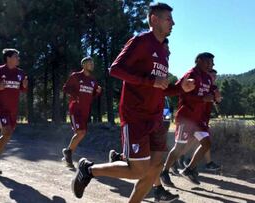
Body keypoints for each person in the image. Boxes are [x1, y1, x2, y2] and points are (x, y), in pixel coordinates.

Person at [71, 3, 194, 202]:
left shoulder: (163, 51)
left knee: (155, 168)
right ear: (154, 19)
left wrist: (181, 87)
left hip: (155, 117)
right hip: (135, 114)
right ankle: (88, 170)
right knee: (138, 170)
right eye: (168, 19)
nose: (173, 23)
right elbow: (115, 69)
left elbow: (160, 87)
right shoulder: (141, 41)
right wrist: (149, 81)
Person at [160, 52, 216, 186]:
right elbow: (181, 92)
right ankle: (164, 172)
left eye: (212, 63)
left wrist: (215, 97)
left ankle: (189, 170)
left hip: (198, 120)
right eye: (208, 62)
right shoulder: (191, 75)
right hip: (186, 118)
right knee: (179, 147)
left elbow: (209, 94)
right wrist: (202, 99)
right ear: (198, 61)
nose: (211, 65)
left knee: (207, 143)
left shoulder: (208, 78)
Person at [0, 48, 28, 174]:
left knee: (6, 135)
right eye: (16, 56)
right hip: (0, 108)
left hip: (13, 109)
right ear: (8, 58)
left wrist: (24, 86)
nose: (18, 59)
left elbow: (21, 89)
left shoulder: (20, 73)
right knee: (7, 133)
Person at [62, 56, 102, 168]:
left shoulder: (93, 80)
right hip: (75, 109)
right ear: (84, 65)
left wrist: (98, 92)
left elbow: (92, 95)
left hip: (85, 110)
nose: (92, 65)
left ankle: (68, 152)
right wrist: (75, 96)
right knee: (80, 132)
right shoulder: (76, 76)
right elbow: (65, 88)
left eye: (93, 63)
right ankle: (68, 153)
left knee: (82, 133)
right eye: (90, 63)